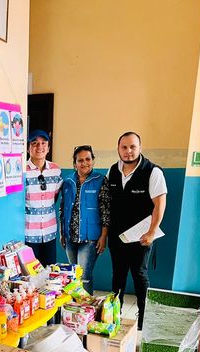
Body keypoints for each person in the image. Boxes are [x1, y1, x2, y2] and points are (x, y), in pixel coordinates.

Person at [108, 131, 167, 329]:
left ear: (140, 148)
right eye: (124, 147)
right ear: (118, 149)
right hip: (118, 237)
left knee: (139, 275)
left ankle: (144, 317)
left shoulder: (153, 172)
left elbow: (160, 204)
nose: (128, 151)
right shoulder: (112, 171)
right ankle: (114, 313)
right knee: (118, 275)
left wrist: (151, 232)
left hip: (141, 237)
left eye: (133, 147)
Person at [59, 145, 110, 295]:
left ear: (93, 160)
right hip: (70, 237)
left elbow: (106, 211)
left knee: (84, 276)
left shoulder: (100, 180)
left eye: (88, 159)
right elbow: (62, 209)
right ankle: (75, 307)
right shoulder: (68, 181)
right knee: (73, 276)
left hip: (90, 238)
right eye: (80, 160)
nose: (84, 163)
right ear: (75, 163)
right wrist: (62, 233)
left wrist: (104, 236)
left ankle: (86, 307)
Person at [25, 129, 63, 266]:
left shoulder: (56, 170)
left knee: (50, 271)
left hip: (49, 231)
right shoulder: (22, 170)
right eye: (34, 143)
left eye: (43, 143)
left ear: (48, 148)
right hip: (29, 233)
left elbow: (55, 197)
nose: (39, 146)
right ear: (28, 148)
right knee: (31, 273)